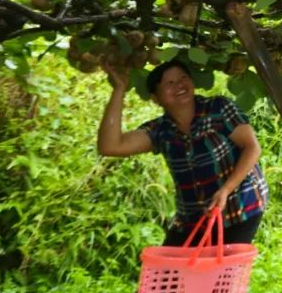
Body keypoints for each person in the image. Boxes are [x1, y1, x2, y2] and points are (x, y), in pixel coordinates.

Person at [98, 59, 268, 249]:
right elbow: (110, 146)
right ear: (156, 98)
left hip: (240, 207)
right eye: (169, 83)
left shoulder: (217, 108)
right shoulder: (161, 130)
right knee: (169, 274)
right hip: (194, 217)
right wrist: (119, 89)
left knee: (218, 273)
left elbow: (252, 147)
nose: (179, 85)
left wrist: (226, 189)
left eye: (183, 78)